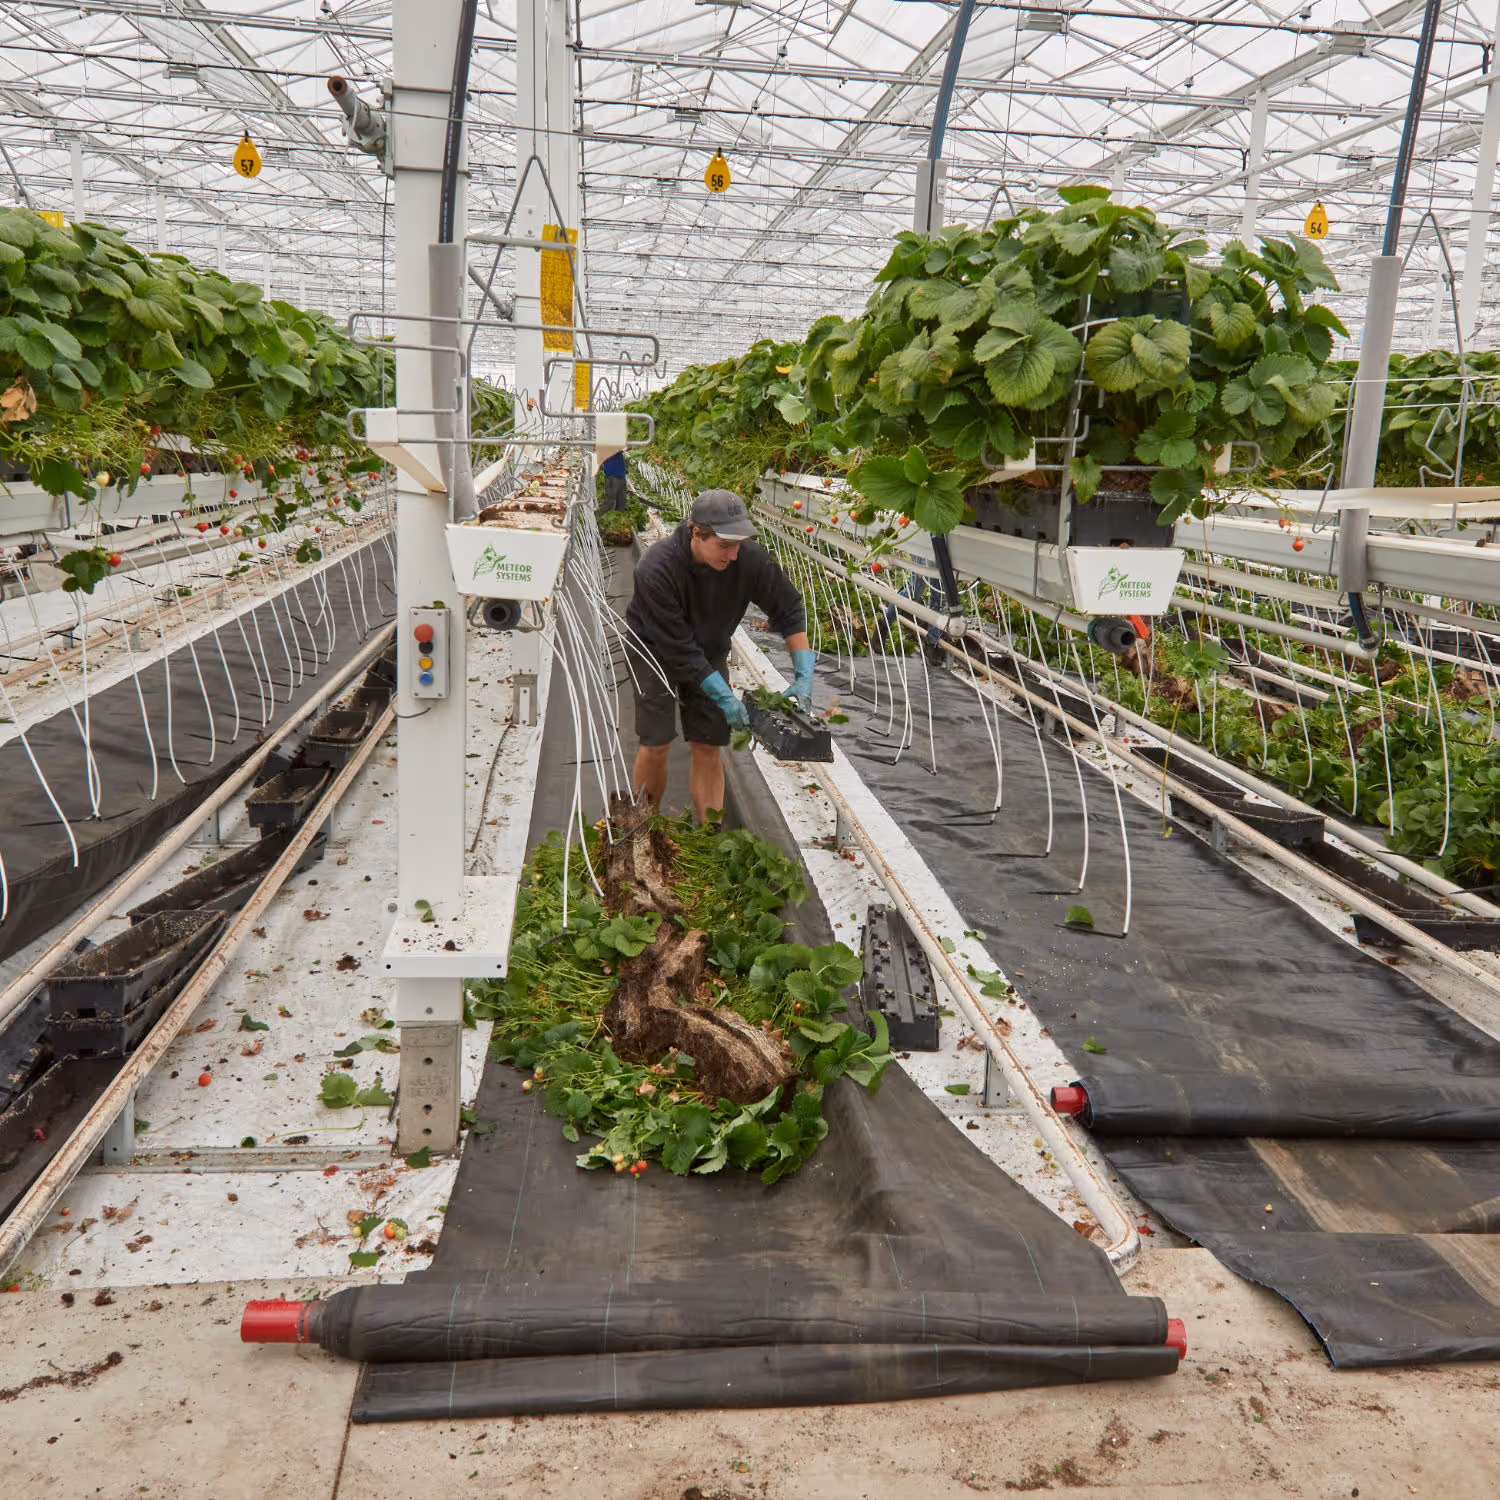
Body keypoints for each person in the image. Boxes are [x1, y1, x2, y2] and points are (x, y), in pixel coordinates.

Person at [625, 489, 814, 822]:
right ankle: (643, 828)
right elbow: (680, 650)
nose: (734, 555)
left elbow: (789, 608)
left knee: (709, 744)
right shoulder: (656, 568)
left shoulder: (748, 560)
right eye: (725, 545)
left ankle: (706, 835)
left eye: (739, 544)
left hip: (709, 649)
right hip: (654, 650)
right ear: (697, 533)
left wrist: (803, 672)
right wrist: (725, 698)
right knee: (656, 742)